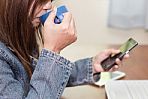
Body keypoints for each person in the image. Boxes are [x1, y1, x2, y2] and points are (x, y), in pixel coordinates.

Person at [0, 0, 129, 99]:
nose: (48, 6)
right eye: (41, 0)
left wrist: (92, 66)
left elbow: (37, 78)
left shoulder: (20, 33)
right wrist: (52, 50)